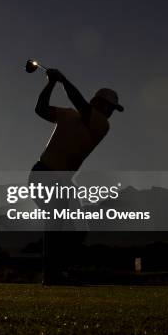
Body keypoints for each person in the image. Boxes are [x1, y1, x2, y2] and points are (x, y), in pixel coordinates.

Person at [30, 68, 123, 284]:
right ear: (98, 102)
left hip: (61, 181)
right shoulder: (68, 114)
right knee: (56, 222)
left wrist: (62, 80)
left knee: (77, 228)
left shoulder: (102, 125)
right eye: (110, 107)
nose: (111, 112)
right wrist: (51, 83)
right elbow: (40, 109)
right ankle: (52, 274)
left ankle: (56, 271)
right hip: (43, 173)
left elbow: (79, 103)